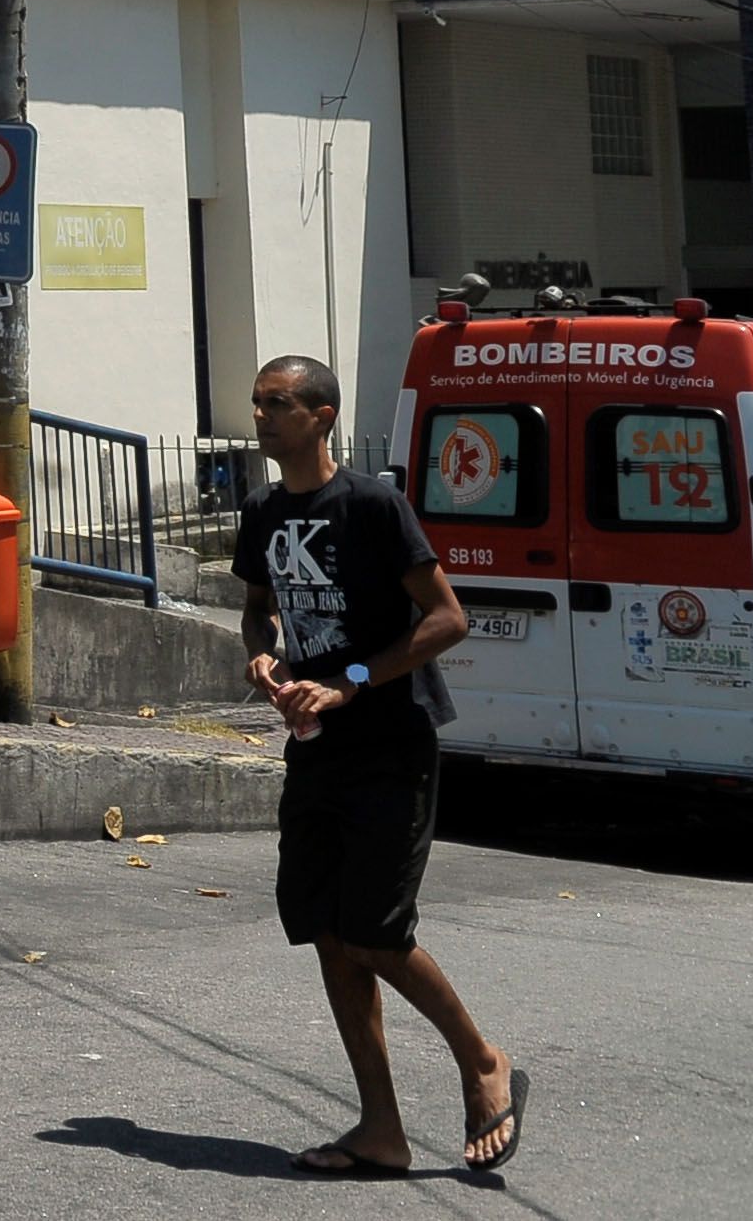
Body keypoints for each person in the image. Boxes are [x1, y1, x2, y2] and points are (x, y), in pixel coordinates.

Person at [233, 353, 526, 1179]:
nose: (261, 417)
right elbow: (258, 613)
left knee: (375, 929)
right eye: (257, 403)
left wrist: (350, 682)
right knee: (327, 928)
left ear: (321, 416)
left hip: (392, 742)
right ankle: (381, 1130)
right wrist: (265, 663)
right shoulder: (261, 510)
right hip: (316, 749)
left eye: (278, 404)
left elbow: (448, 619)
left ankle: (480, 1060)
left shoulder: (371, 504)